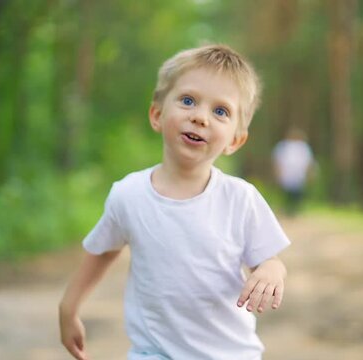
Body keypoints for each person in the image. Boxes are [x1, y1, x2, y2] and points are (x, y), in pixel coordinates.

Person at [58, 44, 290, 360]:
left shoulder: (240, 199)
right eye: (188, 100)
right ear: (157, 114)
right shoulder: (129, 195)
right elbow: (104, 249)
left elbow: (269, 259)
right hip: (153, 352)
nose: (200, 117)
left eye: (220, 111)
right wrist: (69, 307)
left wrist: (272, 272)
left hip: (229, 353)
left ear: (235, 139)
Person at [272, 127, 314, 216]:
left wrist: (309, 173)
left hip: (298, 175)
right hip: (287, 175)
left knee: (297, 194)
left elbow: (308, 162)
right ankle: (288, 210)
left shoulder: (303, 147)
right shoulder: (283, 146)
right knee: (287, 194)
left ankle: (295, 210)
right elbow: (278, 161)